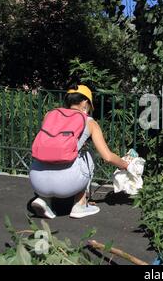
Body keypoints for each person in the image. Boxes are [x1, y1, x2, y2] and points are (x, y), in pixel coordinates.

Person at [29, 84, 130, 219]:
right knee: (89, 154)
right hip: (67, 183)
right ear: (85, 102)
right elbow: (108, 157)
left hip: (37, 179)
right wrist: (126, 165)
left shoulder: (50, 115)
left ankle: (44, 200)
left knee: (47, 153)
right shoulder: (89, 122)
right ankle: (80, 204)